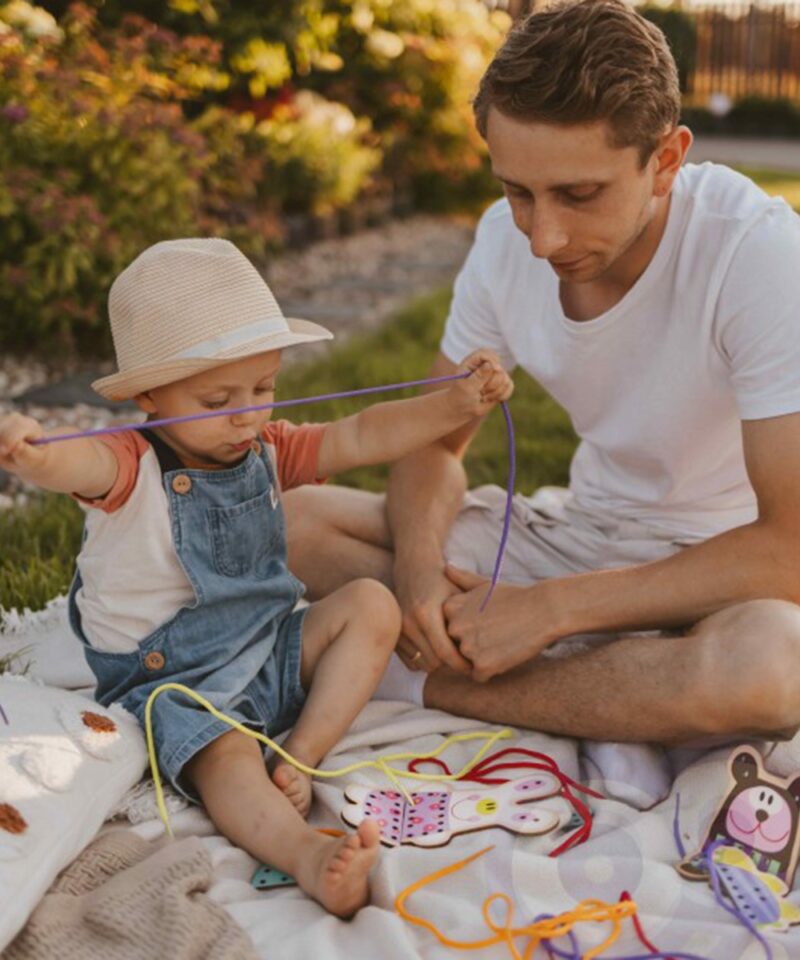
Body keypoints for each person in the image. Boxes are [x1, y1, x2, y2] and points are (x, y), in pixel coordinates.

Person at [281, 0, 800, 795]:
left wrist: (553, 611)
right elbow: (432, 439)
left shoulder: (756, 255)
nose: (542, 237)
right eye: (518, 191)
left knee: (768, 671)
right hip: (582, 531)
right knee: (283, 521)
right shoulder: (502, 241)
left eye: (579, 194)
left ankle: (424, 680)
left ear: (666, 160)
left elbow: (788, 548)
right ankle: (596, 686)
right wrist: (419, 575)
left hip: (721, 574)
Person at [0, 237, 513, 917]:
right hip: (174, 684)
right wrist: (36, 460)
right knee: (226, 762)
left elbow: (362, 434)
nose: (248, 413)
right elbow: (82, 465)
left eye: (264, 388)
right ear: (150, 395)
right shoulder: (130, 464)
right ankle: (308, 855)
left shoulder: (266, 448)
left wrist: (453, 407)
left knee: (371, 604)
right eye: (219, 398)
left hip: (270, 646)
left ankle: (301, 753)